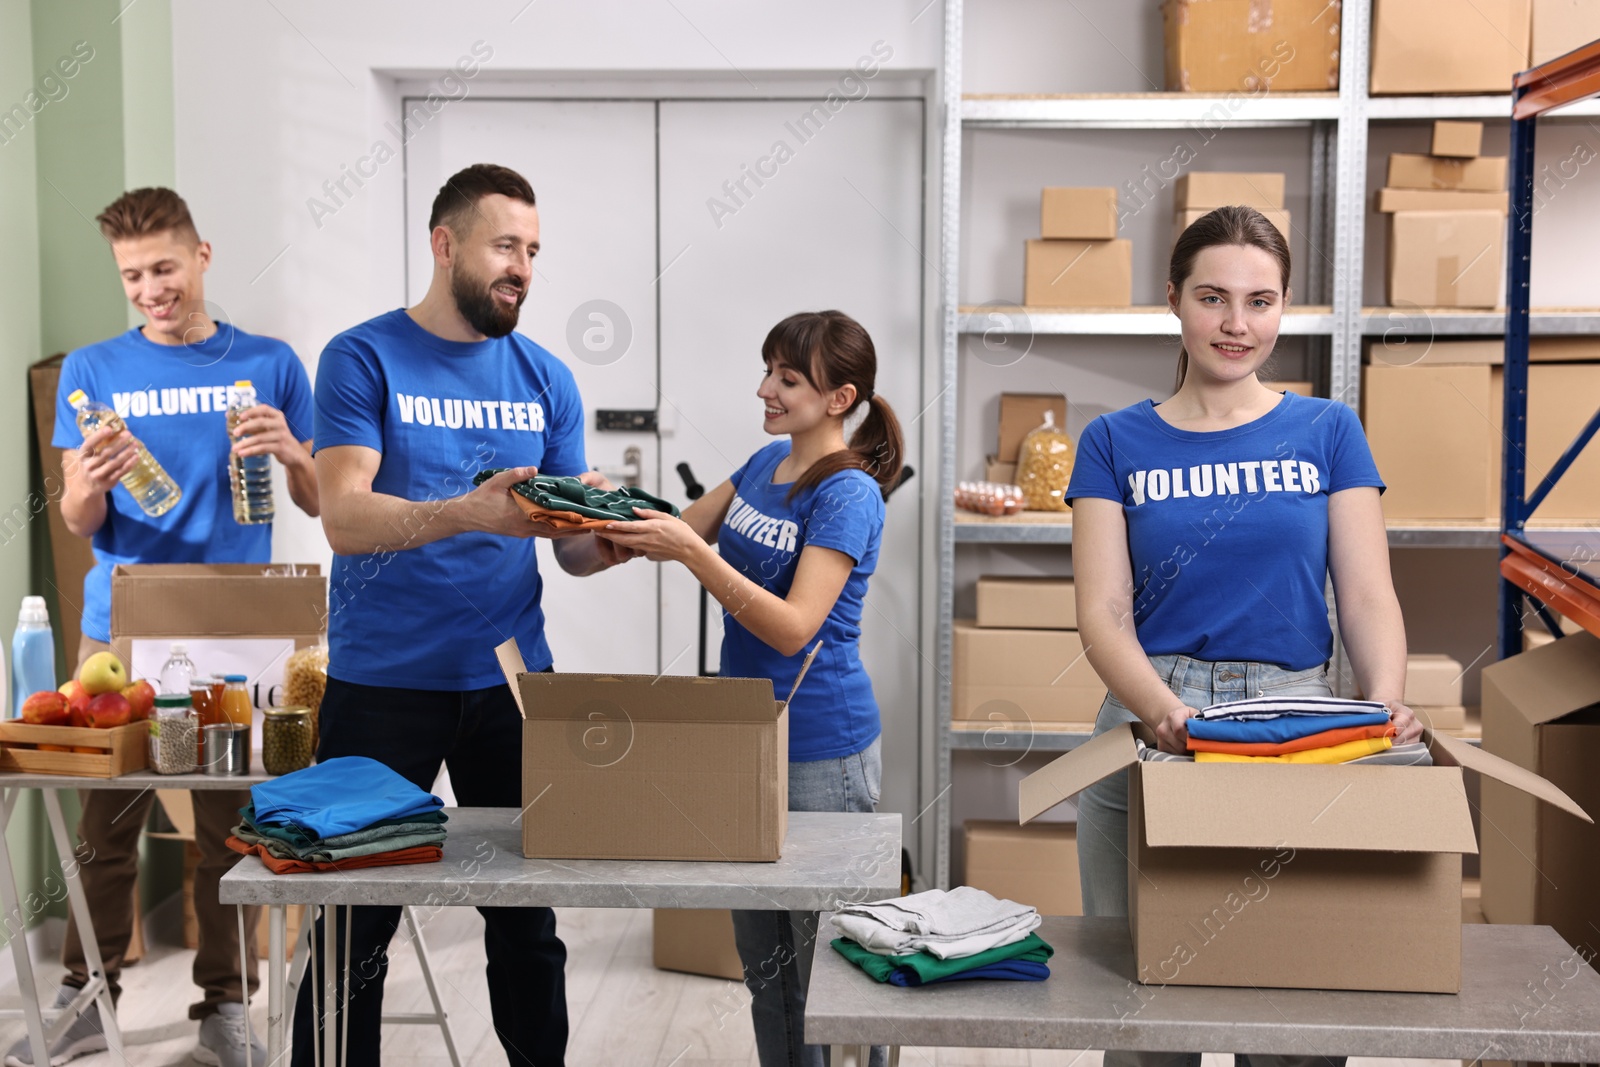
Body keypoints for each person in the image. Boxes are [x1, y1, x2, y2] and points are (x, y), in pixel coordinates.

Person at [1067, 205, 1420, 1067]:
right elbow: (1103, 613)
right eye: (1213, 297)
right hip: (1149, 718)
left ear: (1285, 305)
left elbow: (1367, 591)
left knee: (1294, 1013)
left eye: (1261, 301)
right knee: (1147, 1015)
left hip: (1296, 721)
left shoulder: (1327, 430)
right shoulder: (1114, 441)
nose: (1237, 324)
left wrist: (1382, 704)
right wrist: (1164, 715)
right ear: (1174, 301)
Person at [298, 162, 631, 1067]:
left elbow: (560, 543)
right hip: (381, 684)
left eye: (532, 250)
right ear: (445, 246)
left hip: (512, 684)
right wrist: (466, 511)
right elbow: (345, 516)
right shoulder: (362, 357)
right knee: (350, 925)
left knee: (526, 921)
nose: (521, 266)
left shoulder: (545, 376)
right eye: (504, 246)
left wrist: (603, 542)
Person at [12, 187, 320, 1067]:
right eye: (133, 275)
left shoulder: (269, 362)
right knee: (106, 823)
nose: (151, 288)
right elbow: (77, 518)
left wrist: (294, 453)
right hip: (122, 628)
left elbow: (315, 499)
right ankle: (86, 993)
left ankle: (227, 1004)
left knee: (228, 826)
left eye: (165, 268)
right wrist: (90, 482)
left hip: (237, 627)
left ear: (203, 258)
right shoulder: (94, 369)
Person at [595, 309, 900, 1067]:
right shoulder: (765, 464)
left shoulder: (849, 494)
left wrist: (690, 552)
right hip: (743, 741)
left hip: (820, 749)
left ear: (840, 398)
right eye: (768, 369)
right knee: (765, 967)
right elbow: (676, 532)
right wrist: (597, 502)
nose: (765, 388)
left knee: (825, 975)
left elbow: (795, 625)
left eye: (788, 379)